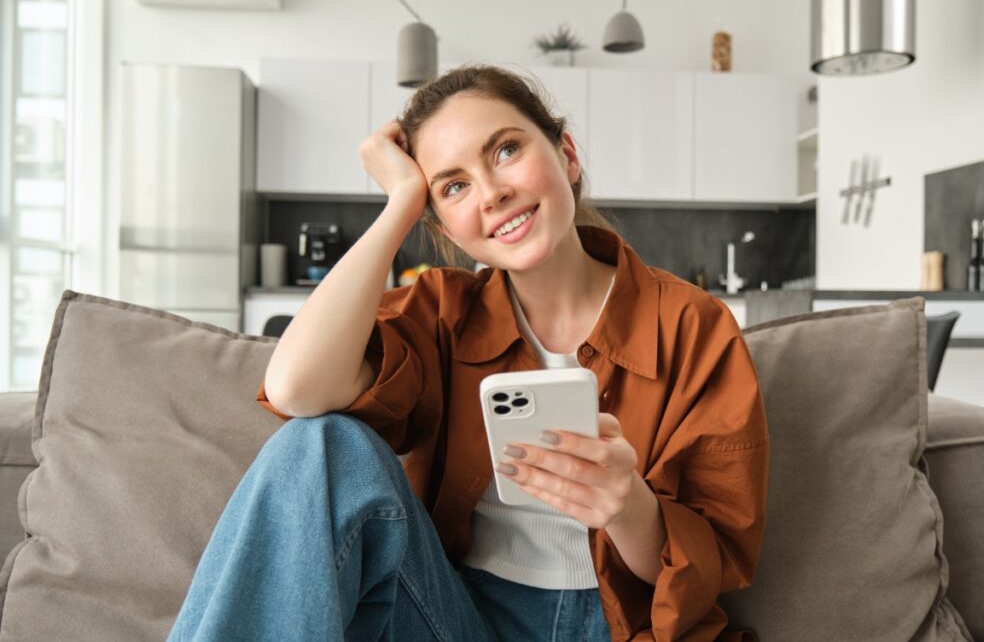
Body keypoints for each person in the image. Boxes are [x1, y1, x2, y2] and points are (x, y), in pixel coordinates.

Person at [167, 65, 769, 642]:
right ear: (446, 228)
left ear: (567, 154)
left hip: (621, 626)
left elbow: (715, 566)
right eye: (453, 186)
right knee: (319, 443)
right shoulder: (440, 312)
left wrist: (627, 505)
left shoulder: (693, 323)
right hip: (459, 618)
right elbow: (297, 388)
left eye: (506, 150)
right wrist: (402, 201)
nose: (493, 193)